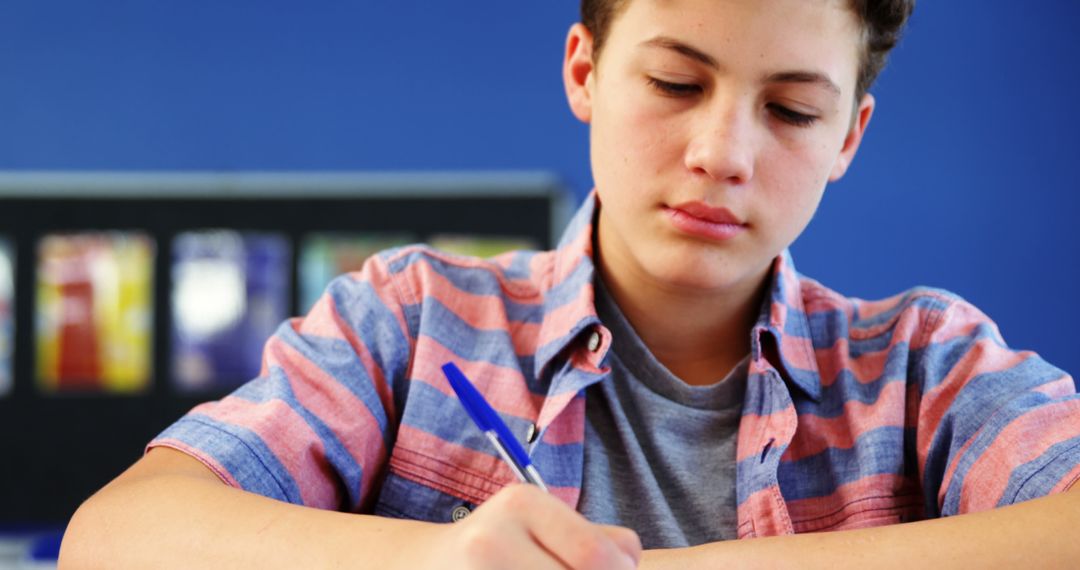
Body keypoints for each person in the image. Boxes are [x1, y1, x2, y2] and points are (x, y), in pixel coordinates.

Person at [59, 0, 1080, 568]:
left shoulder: (922, 367)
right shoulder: (413, 321)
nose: (724, 152)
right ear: (585, 71)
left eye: (794, 111)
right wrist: (428, 564)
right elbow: (115, 538)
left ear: (850, 135)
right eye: (677, 84)